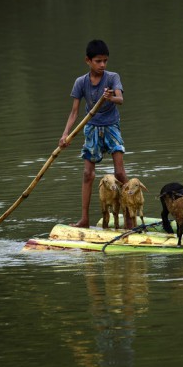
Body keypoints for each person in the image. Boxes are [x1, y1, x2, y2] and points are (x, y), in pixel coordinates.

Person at [59, 39, 127, 228]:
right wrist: (65, 135)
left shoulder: (112, 77)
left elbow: (120, 99)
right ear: (88, 61)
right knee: (88, 173)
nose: (102, 65)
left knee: (120, 173)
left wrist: (110, 97)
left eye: (105, 61)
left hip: (112, 126)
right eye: (98, 61)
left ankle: (129, 217)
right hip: (92, 127)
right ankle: (84, 219)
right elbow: (74, 112)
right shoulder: (81, 82)